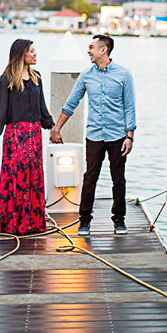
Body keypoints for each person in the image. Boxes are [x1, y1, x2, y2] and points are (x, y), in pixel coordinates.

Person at [51, 34, 135, 236]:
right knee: (90, 178)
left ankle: (119, 220)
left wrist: (129, 137)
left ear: (103, 50)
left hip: (118, 137)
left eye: (91, 47)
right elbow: (71, 103)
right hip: (95, 135)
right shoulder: (86, 75)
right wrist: (56, 128)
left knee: (118, 179)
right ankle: (85, 221)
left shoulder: (124, 75)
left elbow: (129, 107)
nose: (88, 51)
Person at [0, 39, 55, 235]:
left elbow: (42, 105)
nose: (35, 54)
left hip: (34, 134)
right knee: (15, 176)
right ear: (21, 54)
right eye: (31, 51)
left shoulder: (37, 77)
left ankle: (31, 222)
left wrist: (51, 126)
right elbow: (2, 108)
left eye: (35, 51)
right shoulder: (7, 78)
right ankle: (12, 223)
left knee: (33, 175)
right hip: (15, 134)